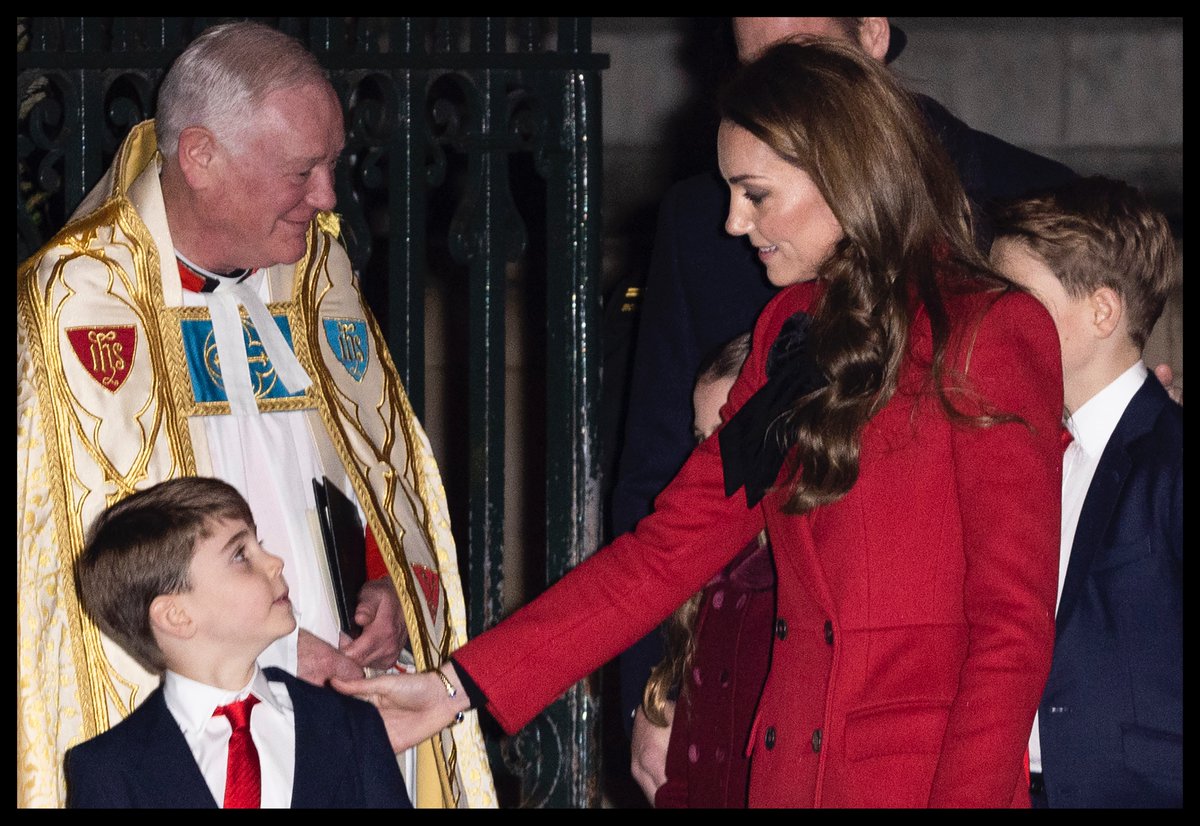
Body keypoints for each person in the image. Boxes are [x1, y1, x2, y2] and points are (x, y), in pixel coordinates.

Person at [339, 39, 1066, 808]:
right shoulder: (791, 333)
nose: (732, 223)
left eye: (755, 194)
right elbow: (663, 555)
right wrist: (457, 688)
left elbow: (1010, 631)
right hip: (784, 779)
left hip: (919, 785)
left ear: (842, 177)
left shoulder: (991, 331)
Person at [16, 21, 494, 808]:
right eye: (302, 170)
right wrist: (250, 652)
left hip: (344, 710)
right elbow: (69, 559)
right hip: (194, 723)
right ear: (200, 156)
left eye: (333, 164)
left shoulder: (317, 274)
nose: (328, 197)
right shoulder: (73, 300)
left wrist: (387, 587)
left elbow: (367, 469)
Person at [611, 17, 1078, 754]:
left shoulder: (1016, 259)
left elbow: (1012, 626)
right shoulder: (755, 288)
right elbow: (664, 515)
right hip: (767, 722)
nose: (735, 222)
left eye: (799, 57)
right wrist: (648, 691)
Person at [990, 176, 1183, 808]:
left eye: (1014, 298)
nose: (991, 320)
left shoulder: (1171, 458)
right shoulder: (1019, 450)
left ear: (1102, 312)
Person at [65, 477, 413, 808]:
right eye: (240, 555)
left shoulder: (350, 726)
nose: (275, 563)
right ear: (176, 616)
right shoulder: (109, 769)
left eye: (258, 545)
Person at [633, 331, 777, 808]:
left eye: (724, 437)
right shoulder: (715, 576)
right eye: (701, 441)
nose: (710, 460)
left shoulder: (786, 583)